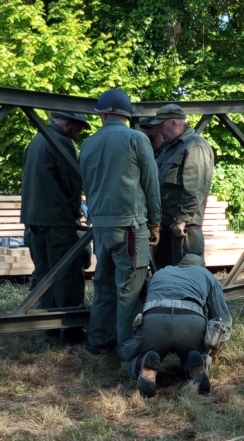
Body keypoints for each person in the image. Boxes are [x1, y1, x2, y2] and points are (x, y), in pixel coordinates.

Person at [80, 89, 162, 355]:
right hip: (130, 226)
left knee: (103, 284)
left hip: (101, 227)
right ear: (126, 115)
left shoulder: (88, 143)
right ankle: (128, 350)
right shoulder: (137, 139)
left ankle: (98, 341)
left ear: (102, 114)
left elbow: (88, 184)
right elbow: (151, 184)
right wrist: (155, 223)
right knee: (129, 289)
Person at [121, 253, 232, 397]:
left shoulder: (161, 272)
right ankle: (197, 363)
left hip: (154, 320)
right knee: (202, 353)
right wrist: (217, 345)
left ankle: (143, 363)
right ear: (200, 266)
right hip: (191, 322)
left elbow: (143, 299)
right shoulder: (207, 275)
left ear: (181, 264)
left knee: (134, 355)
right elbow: (222, 318)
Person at [21, 111, 89, 343]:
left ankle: (48, 326)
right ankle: (70, 330)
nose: (77, 135)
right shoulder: (61, 143)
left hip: (33, 219)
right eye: (78, 129)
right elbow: (72, 181)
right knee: (67, 274)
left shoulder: (35, 141)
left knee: (44, 273)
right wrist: (75, 210)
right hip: (56, 219)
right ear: (67, 123)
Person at [147, 104, 214, 267]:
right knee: (167, 282)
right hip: (167, 229)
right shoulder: (170, 148)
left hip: (184, 232)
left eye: (161, 125)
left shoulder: (195, 145)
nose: (159, 130)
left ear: (174, 122)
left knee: (185, 283)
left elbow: (196, 187)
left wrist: (182, 219)